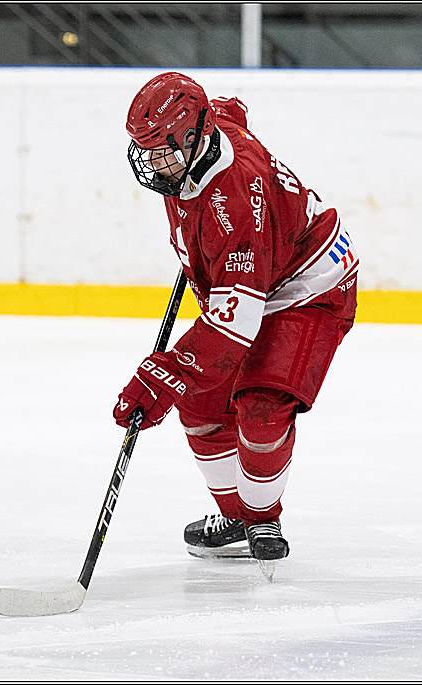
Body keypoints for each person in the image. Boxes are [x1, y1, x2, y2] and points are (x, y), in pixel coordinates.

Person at [113, 72, 359, 562]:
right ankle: (237, 518)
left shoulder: (234, 204)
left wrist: (167, 373)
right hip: (253, 278)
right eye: (146, 151)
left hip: (307, 286)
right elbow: (230, 109)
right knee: (201, 406)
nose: (153, 164)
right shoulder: (205, 133)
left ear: (194, 135)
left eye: (162, 151)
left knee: (261, 409)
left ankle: (263, 518)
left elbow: (236, 321)